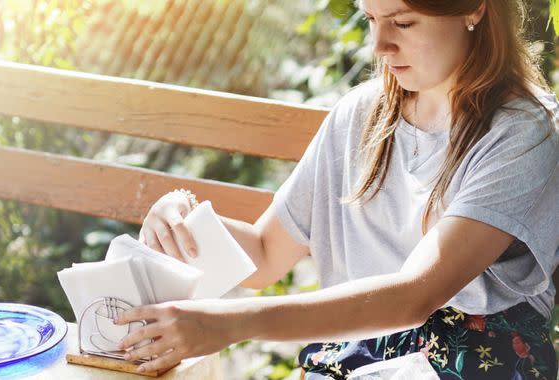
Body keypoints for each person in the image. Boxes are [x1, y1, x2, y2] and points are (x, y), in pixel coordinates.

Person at [115, 0, 559, 378]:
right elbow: (267, 254)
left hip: (473, 360)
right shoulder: (361, 116)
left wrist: (232, 323)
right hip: (355, 356)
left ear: (474, 9)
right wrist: (182, 219)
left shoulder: (522, 133)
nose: (380, 46)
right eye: (371, 20)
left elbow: (416, 295)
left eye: (402, 22)